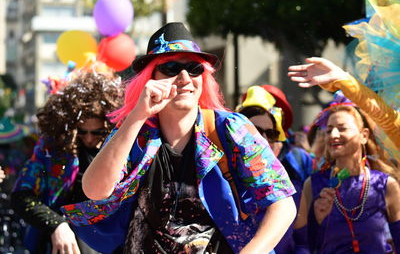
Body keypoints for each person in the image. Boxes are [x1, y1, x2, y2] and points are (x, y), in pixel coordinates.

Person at [61, 22, 297, 254]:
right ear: (149, 78)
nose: (184, 77)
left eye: (194, 68)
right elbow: (94, 190)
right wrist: (137, 115)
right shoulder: (135, 134)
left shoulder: (230, 129)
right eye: (171, 67)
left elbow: (283, 205)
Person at [10, 66, 123, 254]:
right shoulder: (54, 149)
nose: (88, 138)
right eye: (81, 132)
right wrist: (57, 225)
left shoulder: (122, 150)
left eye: (97, 132)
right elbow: (21, 196)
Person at [292, 94, 400, 253]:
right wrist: (317, 220)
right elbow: (302, 245)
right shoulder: (313, 185)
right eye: (329, 130)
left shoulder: (386, 185)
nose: (334, 135)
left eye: (342, 128)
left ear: (364, 136)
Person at [237, 85, 312, 253]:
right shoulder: (220, 183)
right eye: (255, 130)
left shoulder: (294, 192)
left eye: (270, 134)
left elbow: (302, 243)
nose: (262, 139)